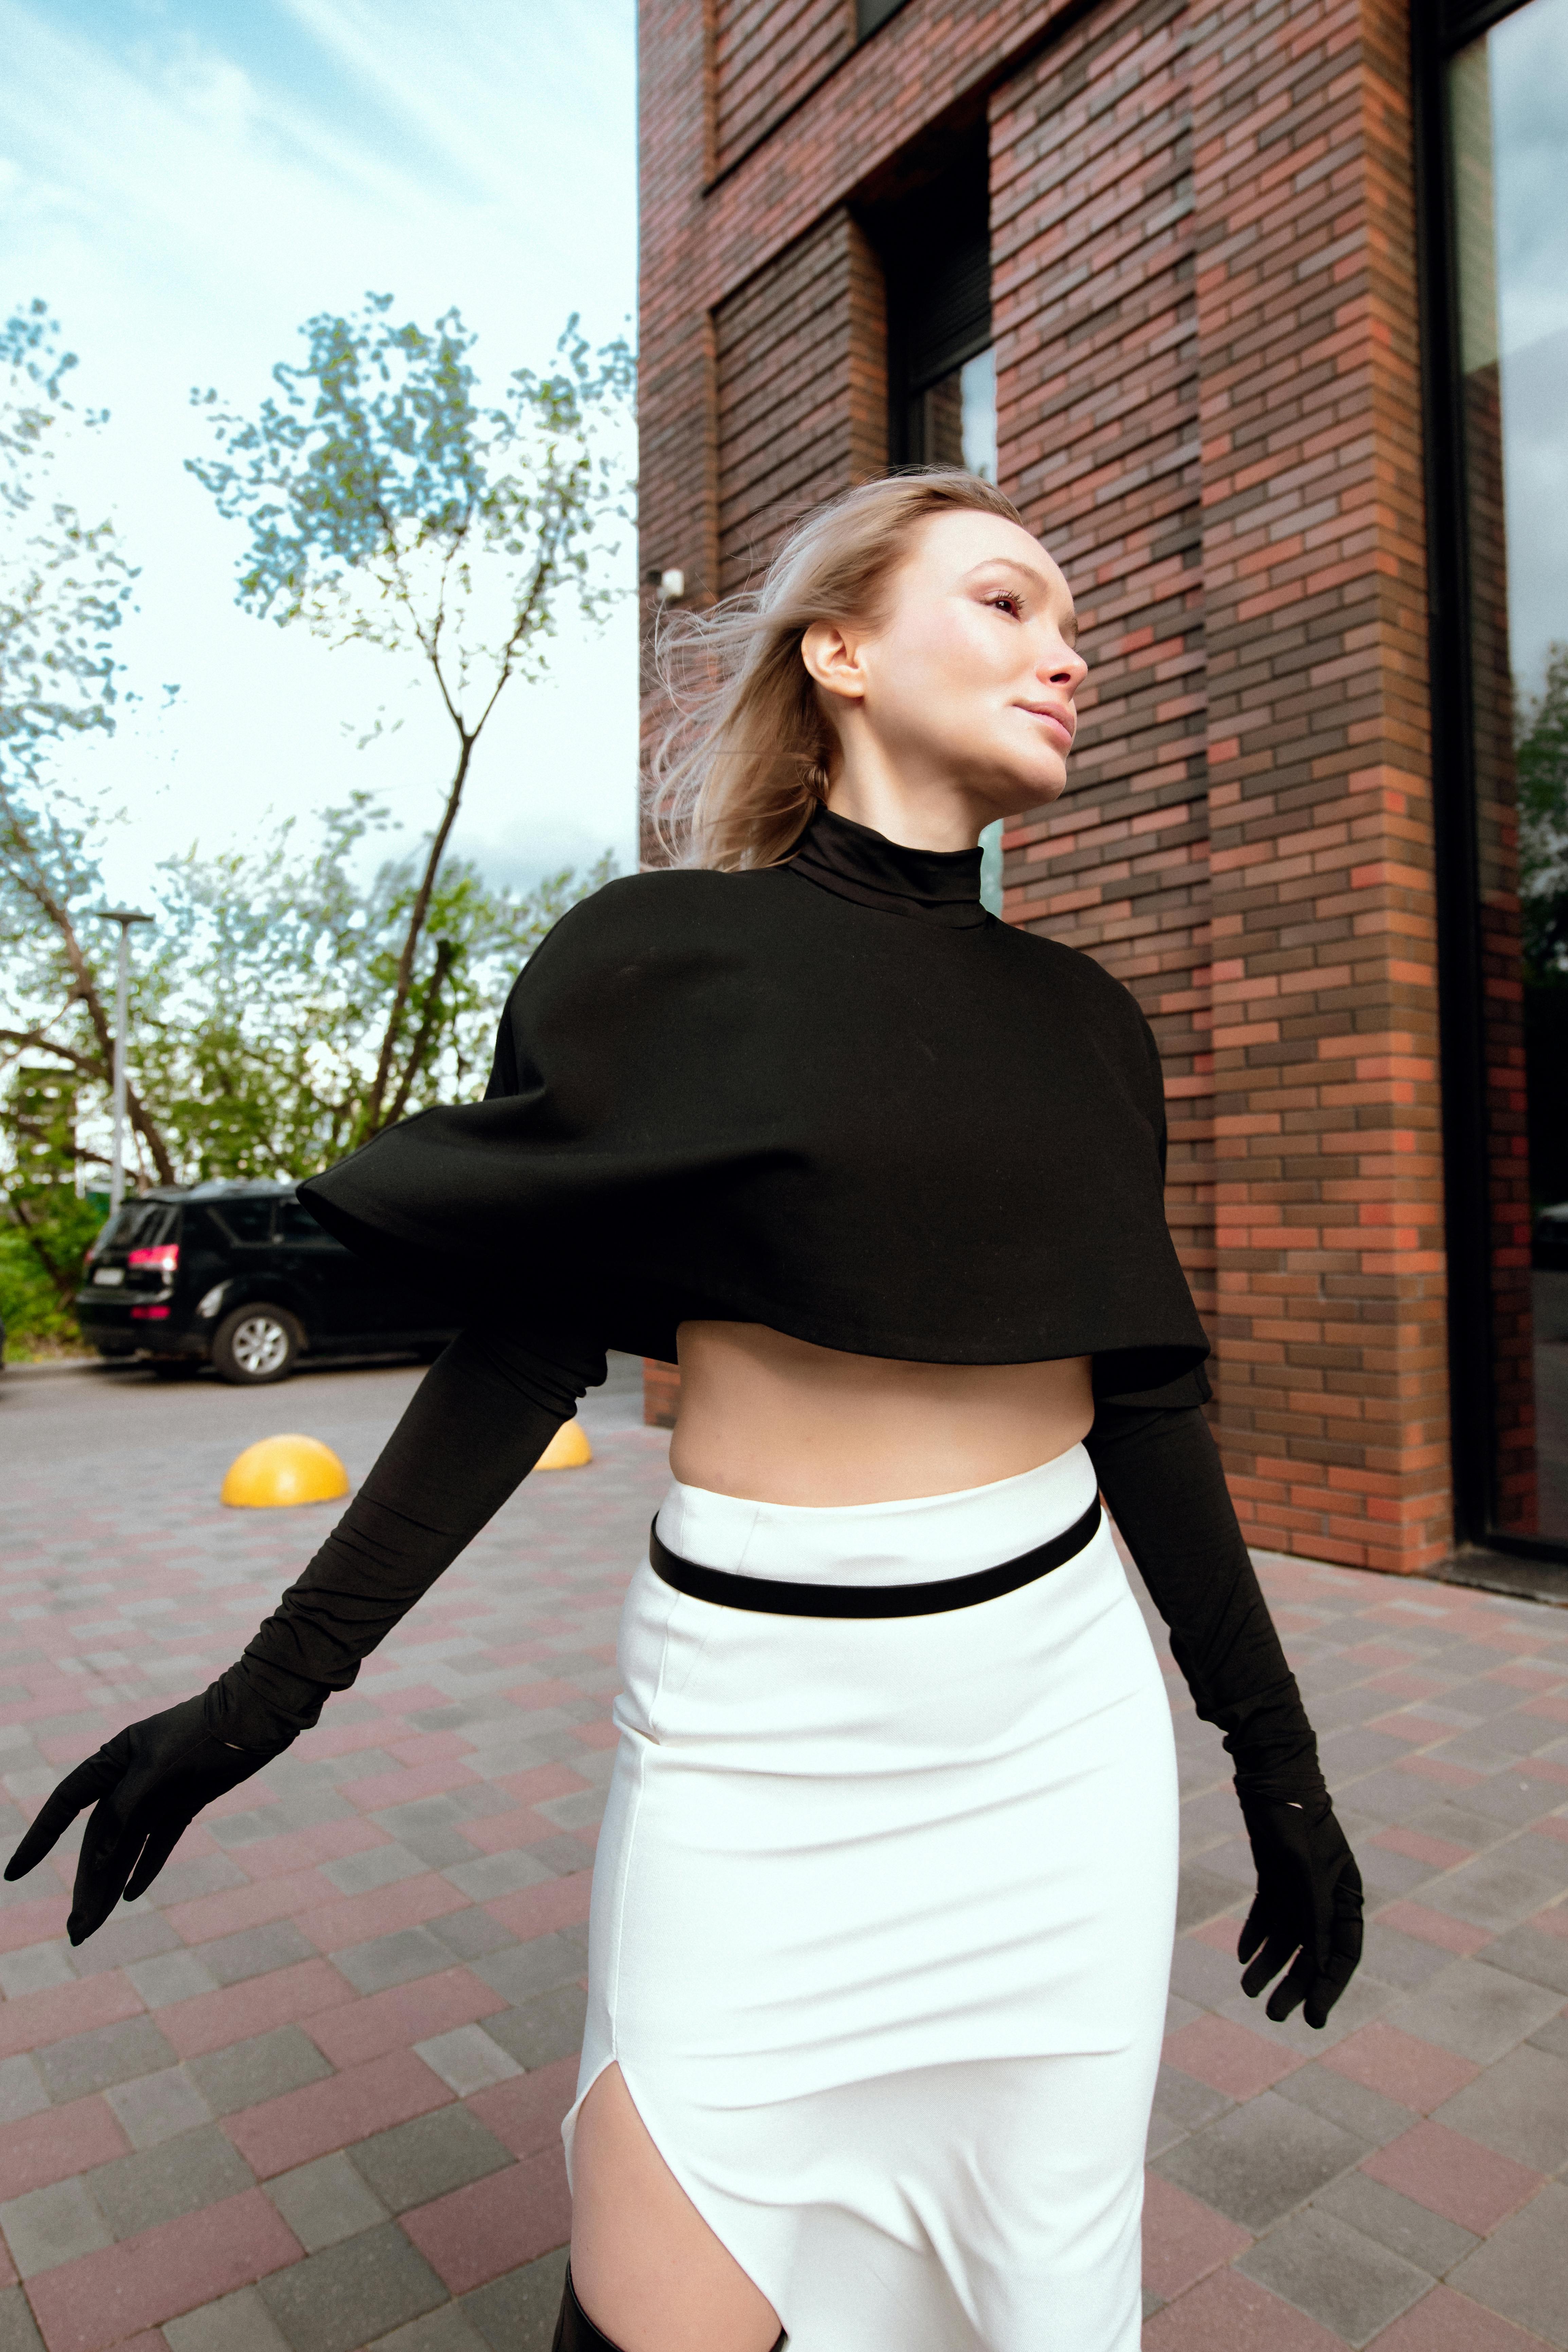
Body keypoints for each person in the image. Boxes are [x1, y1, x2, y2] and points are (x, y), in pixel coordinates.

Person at [7, 471, 1363, 2352]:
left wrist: (1277, 1773)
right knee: (656, 2306)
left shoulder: (1088, 1023)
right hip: (753, 1756)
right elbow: (516, 1359)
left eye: (1074, 623)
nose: (1071, 655)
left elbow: (1146, 1412)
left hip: (1055, 1758)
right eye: (1008, 603)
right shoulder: (649, 961)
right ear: (844, 652)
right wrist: (257, 1701)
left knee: (1035, 2302)